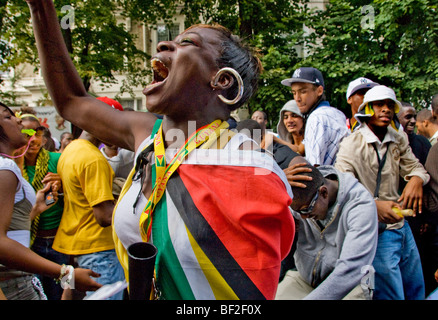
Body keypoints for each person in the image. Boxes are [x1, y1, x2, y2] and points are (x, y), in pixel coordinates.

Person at [28, 0, 295, 300]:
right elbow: (71, 100)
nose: (165, 43)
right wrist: (41, 9)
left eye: (187, 43)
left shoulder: (247, 168)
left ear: (222, 81)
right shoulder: (147, 135)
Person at [334, 85, 429, 300]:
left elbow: (415, 167)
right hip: (376, 232)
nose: (385, 109)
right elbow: (342, 190)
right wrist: (373, 206)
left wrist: (416, 179)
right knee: (391, 295)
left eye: (389, 106)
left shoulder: (398, 138)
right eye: (379, 105)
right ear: (367, 109)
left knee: (416, 289)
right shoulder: (351, 144)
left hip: (402, 227)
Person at [0, 101, 101, 300]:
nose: (18, 120)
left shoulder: (11, 165)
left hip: (46, 250)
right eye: (7, 116)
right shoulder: (6, 168)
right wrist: (67, 274)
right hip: (15, 278)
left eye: (37, 132)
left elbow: (12, 227)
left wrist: (37, 207)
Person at [276, 157, 378, 300]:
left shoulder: (361, 206)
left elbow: (351, 269)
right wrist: (276, 181)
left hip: (352, 283)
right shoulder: (303, 198)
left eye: (306, 210)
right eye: (298, 212)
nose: (304, 218)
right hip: (305, 278)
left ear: (324, 193)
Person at [53, 129, 125, 300]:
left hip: (73, 246)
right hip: (99, 251)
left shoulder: (70, 150)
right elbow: (104, 216)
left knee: (68, 295)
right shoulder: (93, 158)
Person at [17, 114, 68, 300]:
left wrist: (63, 186)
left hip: (59, 241)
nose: (34, 140)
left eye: (38, 133)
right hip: (29, 244)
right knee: (36, 293)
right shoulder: (12, 167)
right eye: (27, 134)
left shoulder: (59, 160)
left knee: (64, 290)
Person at [281, 67, 349, 166]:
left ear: (319, 91)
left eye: (303, 92)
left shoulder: (316, 117)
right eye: (294, 93)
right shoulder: (338, 113)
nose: (297, 98)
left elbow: (314, 167)